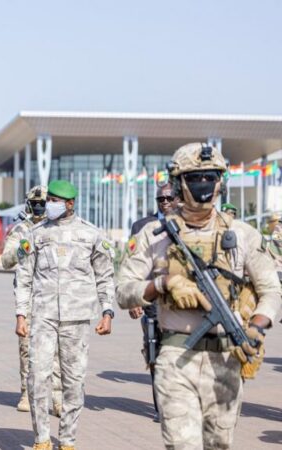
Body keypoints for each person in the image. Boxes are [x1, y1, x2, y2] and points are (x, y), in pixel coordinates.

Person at [117, 142, 281, 449]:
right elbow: (124, 291)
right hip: (177, 358)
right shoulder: (155, 235)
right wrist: (161, 284)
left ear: (221, 182)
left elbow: (271, 290)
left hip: (227, 359)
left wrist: (257, 326)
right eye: (194, 178)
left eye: (210, 177)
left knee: (219, 444)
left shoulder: (243, 235)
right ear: (179, 183)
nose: (203, 185)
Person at [15, 180, 115, 450]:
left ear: (70, 203)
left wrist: (107, 312)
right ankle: (42, 439)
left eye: (55, 200)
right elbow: (23, 278)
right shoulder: (36, 234)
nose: (49, 205)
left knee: (74, 381)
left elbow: (105, 277)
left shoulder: (92, 235)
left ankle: (68, 441)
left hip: (77, 318)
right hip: (43, 316)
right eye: (49, 200)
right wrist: (21, 315)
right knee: (38, 376)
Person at [1, 186, 62, 415]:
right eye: (35, 203)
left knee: (57, 351)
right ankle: (27, 394)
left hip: (53, 296)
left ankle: (57, 398)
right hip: (29, 298)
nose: (39, 207)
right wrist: (22, 248)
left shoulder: (57, 229)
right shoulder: (20, 230)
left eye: (43, 203)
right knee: (27, 350)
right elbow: (6, 261)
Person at [126, 183, 180, 421]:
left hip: (183, 302)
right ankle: (163, 407)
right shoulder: (141, 227)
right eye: (161, 198)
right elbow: (132, 265)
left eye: (169, 198)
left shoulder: (190, 223)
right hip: (152, 300)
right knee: (155, 351)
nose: (165, 202)